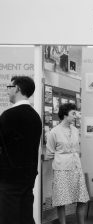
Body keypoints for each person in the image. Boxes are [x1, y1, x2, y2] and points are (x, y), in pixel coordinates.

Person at [0, 76, 42, 224]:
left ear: (17, 89)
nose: (8, 91)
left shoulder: (9, 116)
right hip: (28, 176)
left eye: (10, 87)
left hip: (10, 177)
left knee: (8, 218)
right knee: (25, 216)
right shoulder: (35, 117)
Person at [46, 103, 89, 224]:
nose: (76, 116)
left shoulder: (75, 130)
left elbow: (77, 148)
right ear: (65, 114)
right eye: (73, 113)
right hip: (61, 169)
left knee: (82, 199)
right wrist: (62, 158)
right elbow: (50, 153)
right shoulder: (53, 132)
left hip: (76, 167)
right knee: (61, 201)